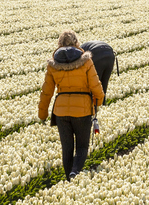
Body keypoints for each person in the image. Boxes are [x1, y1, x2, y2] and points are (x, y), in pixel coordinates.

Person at [38, 30, 105, 178]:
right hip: (83, 111)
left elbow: (46, 92)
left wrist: (42, 113)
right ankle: (75, 172)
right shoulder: (86, 61)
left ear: (59, 44)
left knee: (67, 148)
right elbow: (96, 86)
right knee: (82, 147)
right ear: (77, 43)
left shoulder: (53, 64)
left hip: (61, 113)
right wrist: (97, 103)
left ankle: (69, 178)